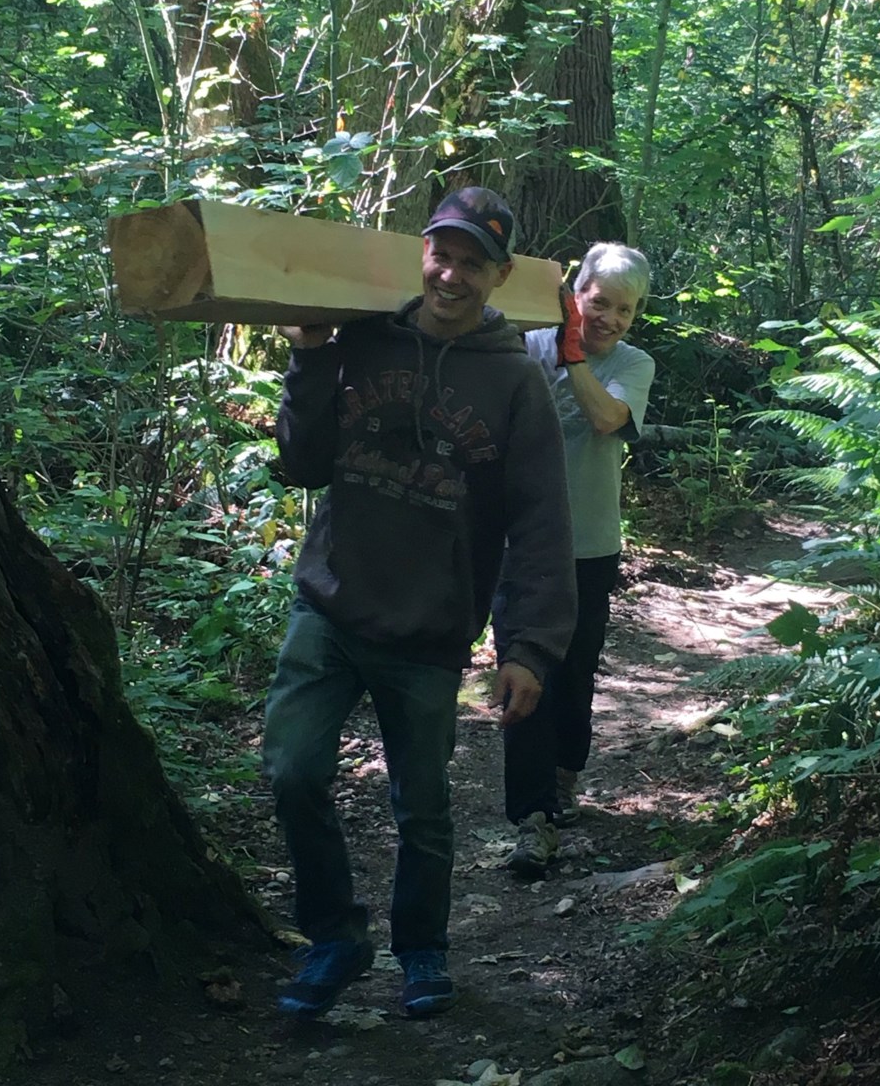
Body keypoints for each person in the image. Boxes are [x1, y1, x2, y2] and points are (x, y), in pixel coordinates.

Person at [263, 187, 577, 1019]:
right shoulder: (365, 337)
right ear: (423, 253)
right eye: (443, 252)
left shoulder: (515, 384)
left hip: (429, 632)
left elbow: (542, 524)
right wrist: (309, 356)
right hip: (329, 607)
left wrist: (529, 647)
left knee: (423, 808)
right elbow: (303, 464)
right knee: (290, 772)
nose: (452, 273)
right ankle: (335, 936)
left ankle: (422, 948)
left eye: (473, 261)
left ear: (500, 275)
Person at [494, 242, 655, 878]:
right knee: (522, 671)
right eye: (600, 302)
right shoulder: (526, 346)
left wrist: (573, 356)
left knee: (575, 671)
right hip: (520, 547)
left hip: (590, 545)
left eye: (626, 309)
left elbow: (608, 418)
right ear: (575, 294)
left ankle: (565, 777)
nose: (611, 318)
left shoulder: (633, 363)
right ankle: (532, 819)